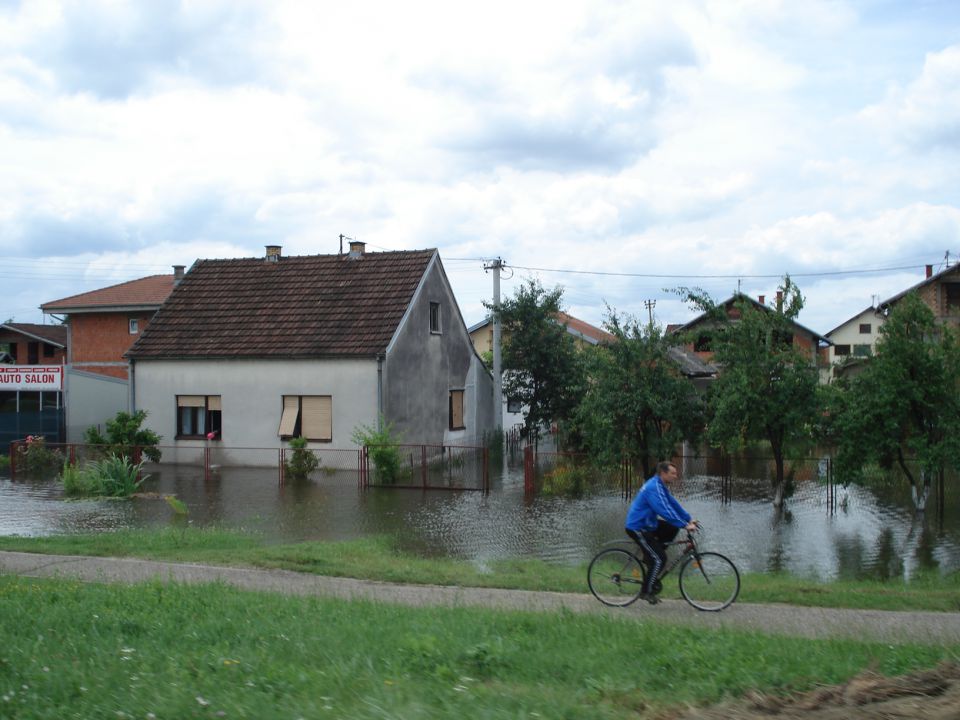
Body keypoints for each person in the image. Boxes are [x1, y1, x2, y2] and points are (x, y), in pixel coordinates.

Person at [624, 461, 697, 604]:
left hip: (649, 524)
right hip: (638, 527)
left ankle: (650, 556)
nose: (676, 476)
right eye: (673, 473)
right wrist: (684, 525)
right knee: (660, 559)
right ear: (663, 473)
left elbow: (673, 504)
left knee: (672, 527)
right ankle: (646, 591)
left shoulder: (660, 485)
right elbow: (663, 510)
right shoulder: (654, 487)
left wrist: (688, 519)